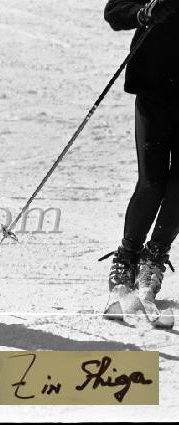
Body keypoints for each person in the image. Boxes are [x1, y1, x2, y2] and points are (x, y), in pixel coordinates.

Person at [103, 0, 178, 303]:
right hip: (154, 91)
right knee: (152, 183)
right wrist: (144, 12)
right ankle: (128, 255)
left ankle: (155, 257)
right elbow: (114, 12)